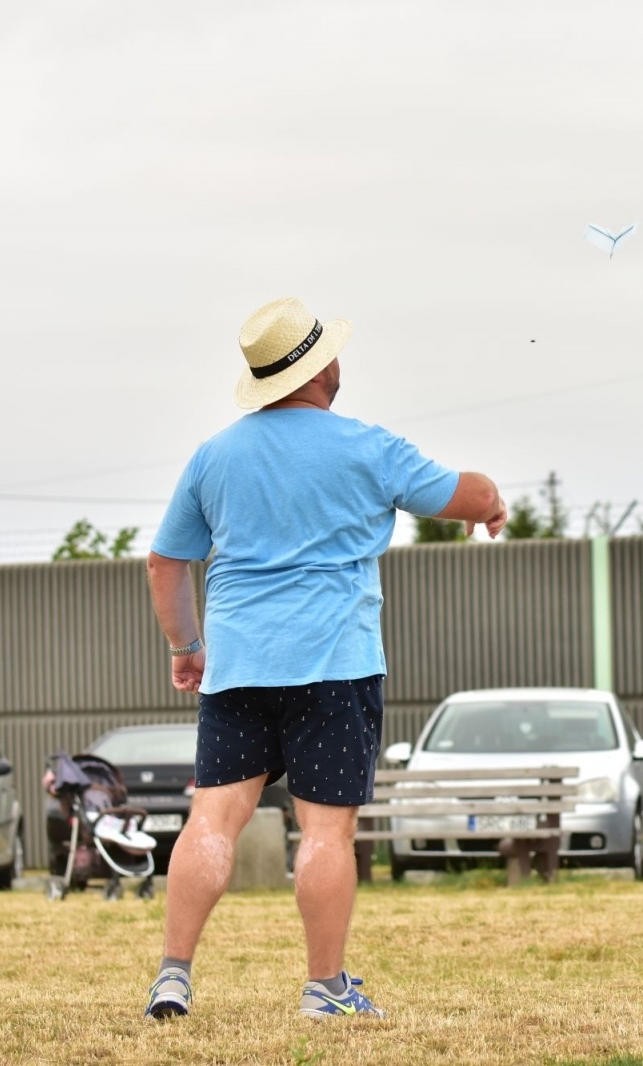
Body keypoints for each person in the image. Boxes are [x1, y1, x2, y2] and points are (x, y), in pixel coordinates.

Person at [141, 297, 508, 1021]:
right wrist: (491, 502)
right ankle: (325, 989)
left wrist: (188, 649)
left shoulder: (214, 455)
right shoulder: (367, 447)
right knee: (326, 830)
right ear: (323, 369)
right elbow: (466, 496)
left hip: (240, 666)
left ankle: (172, 975)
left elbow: (165, 562)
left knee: (212, 821)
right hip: (334, 666)